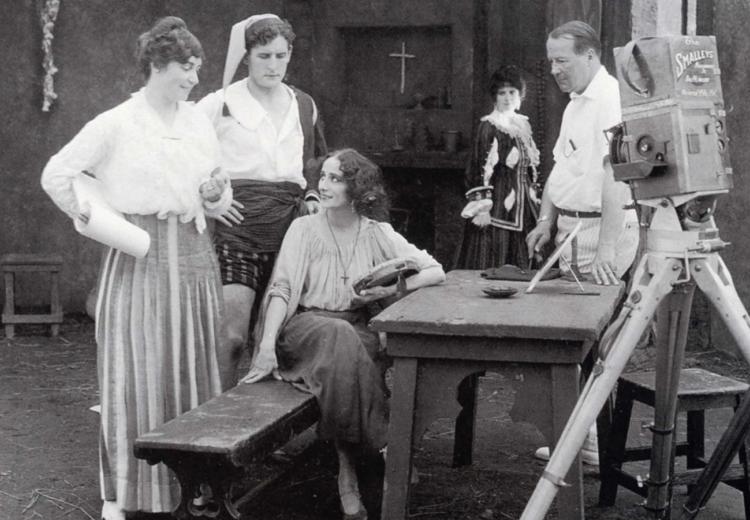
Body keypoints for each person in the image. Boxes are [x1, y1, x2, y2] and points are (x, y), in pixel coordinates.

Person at [41, 17, 232, 519]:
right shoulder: (116, 122)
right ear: (155, 66)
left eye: (197, 70)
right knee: (135, 377)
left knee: (195, 372)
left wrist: (215, 195)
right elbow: (58, 174)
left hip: (194, 258)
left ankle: (194, 489)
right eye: (184, 70)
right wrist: (90, 214)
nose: (193, 80)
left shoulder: (196, 121)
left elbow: (217, 183)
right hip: (137, 260)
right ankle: (120, 496)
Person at [243, 148, 445, 519]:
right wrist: (268, 345)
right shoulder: (303, 228)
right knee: (341, 336)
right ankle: (384, 446)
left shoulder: (377, 233)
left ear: (357, 187)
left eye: (336, 179)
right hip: (305, 329)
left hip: (353, 327)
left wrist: (388, 291)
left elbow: (435, 270)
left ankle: (346, 465)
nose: (324, 185)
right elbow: (282, 289)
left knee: (351, 345)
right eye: (323, 177)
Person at [524, 20, 639, 466]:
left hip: (602, 232)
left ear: (590, 56)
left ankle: (588, 444)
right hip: (572, 231)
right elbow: (561, 166)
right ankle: (579, 437)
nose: (554, 69)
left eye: (562, 60)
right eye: (551, 61)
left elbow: (617, 175)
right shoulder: (576, 104)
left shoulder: (610, 99)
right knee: (573, 341)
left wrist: (608, 247)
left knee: (591, 341)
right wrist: (546, 219)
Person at [197, 14, 328, 390]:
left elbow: (316, 160)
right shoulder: (219, 103)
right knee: (232, 337)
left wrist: (313, 194)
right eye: (263, 56)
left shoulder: (304, 104)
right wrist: (214, 201)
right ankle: (216, 421)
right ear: (246, 57)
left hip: (290, 229)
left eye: (280, 56)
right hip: (237, 229)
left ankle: (257, 433)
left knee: (272, 339)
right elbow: (186, 157)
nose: (273, 65)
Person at [453, 65, 541, 269]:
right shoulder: (489, 126)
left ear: (520, 95)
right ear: (495, 97)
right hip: (497, 210)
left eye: (512, 92)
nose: (507, 97)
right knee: (492, 261)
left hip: (524, 207)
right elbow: (477, 169)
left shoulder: (522, 125)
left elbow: (530, 168)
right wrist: (482, 207)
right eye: (502, 93)